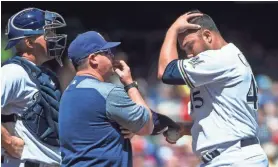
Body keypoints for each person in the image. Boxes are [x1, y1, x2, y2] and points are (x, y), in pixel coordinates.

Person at [158, 10, 269, 167]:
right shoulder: (223, 62)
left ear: (208, 36)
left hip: (235, 158)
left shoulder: (220, 58)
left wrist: (172, 30)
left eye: (190, 46)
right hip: (232, 156)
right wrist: (188, 128)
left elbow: (165, 72)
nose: (188, 55)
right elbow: (225, 121)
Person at [59, 31, 179, 167]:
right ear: (93, 59)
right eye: (107, 52)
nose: (112, 56)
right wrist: (129, 84)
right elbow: (146, 124)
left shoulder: (67, 93)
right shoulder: (107, 92)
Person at [1, 8, 67, 167]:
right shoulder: (12, 72)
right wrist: (8, 141)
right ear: (29, 42)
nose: (53, 38)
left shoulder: (46, 75)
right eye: (47, 34)